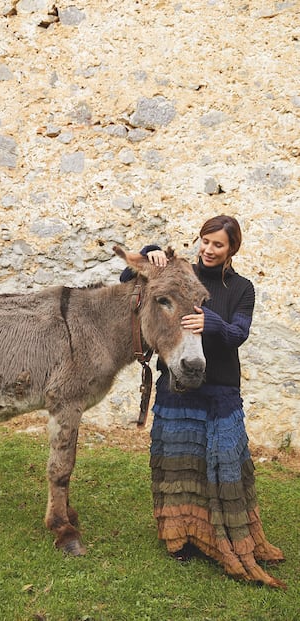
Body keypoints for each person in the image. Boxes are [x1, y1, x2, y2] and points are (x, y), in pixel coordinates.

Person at [120, 215, 286, 588]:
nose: (209, 250)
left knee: (223, 466)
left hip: (221, 389)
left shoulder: (242, 288)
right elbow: (127, 280)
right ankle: (180, 537)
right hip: (176, 387)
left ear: (232, 249)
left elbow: (237, 335)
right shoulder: (180, 274)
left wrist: (208, 321)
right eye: (205, 241)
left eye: (218, 245)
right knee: (179, 466)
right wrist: (150, 254)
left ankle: (225, 536)